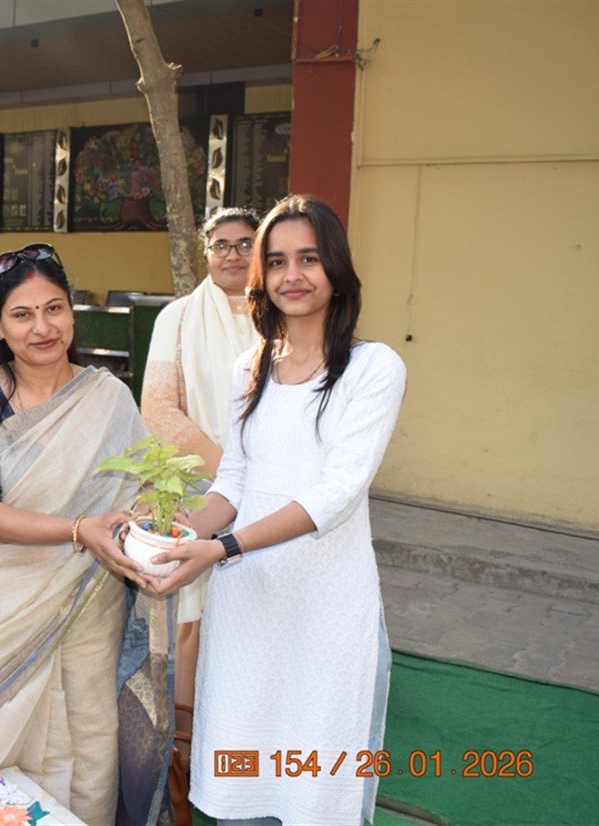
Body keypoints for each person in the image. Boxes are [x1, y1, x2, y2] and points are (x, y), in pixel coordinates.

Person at [147, 195, 407, 826]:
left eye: (309, 259)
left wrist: (222, 548)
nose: (293, 275)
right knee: (245, 775)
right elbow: (233, 482)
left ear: (336, 268)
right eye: (279, 260)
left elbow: (337, 493)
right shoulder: (251, 366)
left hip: (327, 604)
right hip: (248, 603)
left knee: (318, 779)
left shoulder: (374, 367)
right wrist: (173, 533)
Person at [0, 242, 173, 826]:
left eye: (54, 309)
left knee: (91, 736)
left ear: (73, 312)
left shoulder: (107, 396)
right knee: (2, 750)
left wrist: (149, 518)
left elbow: (145, 485)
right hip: (4, 606)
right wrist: (78, 530)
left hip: (93, 597)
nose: (42, 327)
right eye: (22, 314)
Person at [140, 206, 261, 765]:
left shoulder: (283, 314)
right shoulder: (179, 318)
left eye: (245, 243)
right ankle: (189, 754)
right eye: (221, 245)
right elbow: (158, 409)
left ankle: (252, 738)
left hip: (273, 497)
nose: (233, 254)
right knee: (197, 613)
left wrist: (262, 479)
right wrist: (233, 472)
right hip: (203, 489)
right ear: (204, 251)